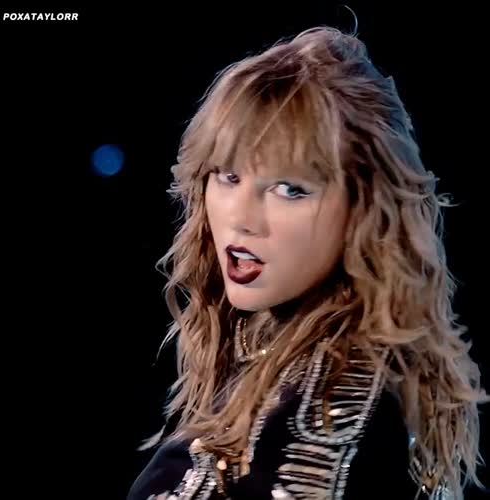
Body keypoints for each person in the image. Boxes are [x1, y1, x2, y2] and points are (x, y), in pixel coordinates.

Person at [127, 25, 488, 500]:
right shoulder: (264, 356)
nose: (241, 218)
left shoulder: (323, 410)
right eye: (228, 176)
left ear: (363, 208)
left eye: (290, 189)